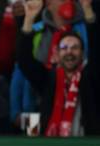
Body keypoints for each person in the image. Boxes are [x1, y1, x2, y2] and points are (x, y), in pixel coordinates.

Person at [17, 0, 98, 136]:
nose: (69, 52)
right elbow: (24, 61)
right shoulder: (48, 79)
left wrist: (88, 12)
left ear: (83, 53)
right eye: (64, 48)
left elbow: (97, 49)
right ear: (56, 54)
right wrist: (29, 19)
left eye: (75, 48)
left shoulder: (91, 78)